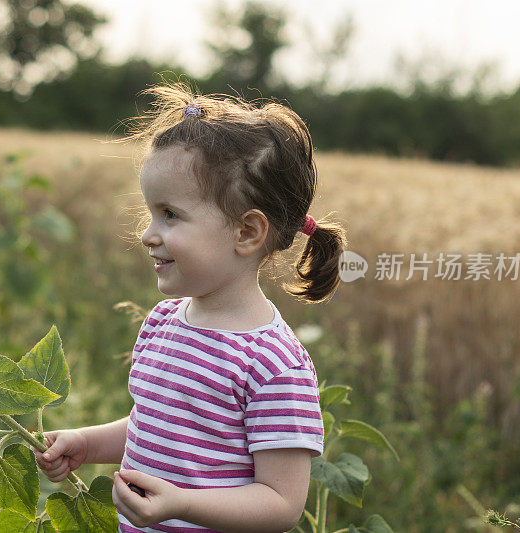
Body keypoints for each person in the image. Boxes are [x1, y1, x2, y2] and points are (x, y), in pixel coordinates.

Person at [32, 81, 347, 533]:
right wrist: (87, 442)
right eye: (150, 213)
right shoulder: (162, 323)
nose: (148, 234)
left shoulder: (274, 364)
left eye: (171, 215)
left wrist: (182, 504)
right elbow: (156, 425)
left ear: (246, 233)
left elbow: (281, 503)